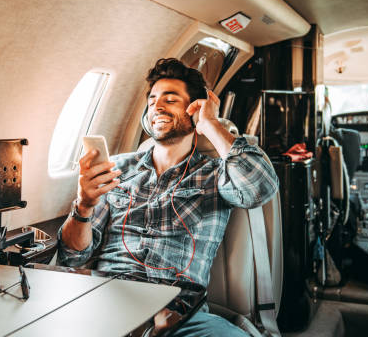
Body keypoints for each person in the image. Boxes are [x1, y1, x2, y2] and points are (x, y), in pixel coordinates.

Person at [57, 58, 279, 336]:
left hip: (179, 314)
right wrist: (84, 205)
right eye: (152, 100)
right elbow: (72, 259)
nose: (157, 107)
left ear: (194, 109)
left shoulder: (217, 174)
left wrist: (210, 124)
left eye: (170, 100)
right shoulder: (116, 168)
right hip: (106, 302)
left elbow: (261, 186)